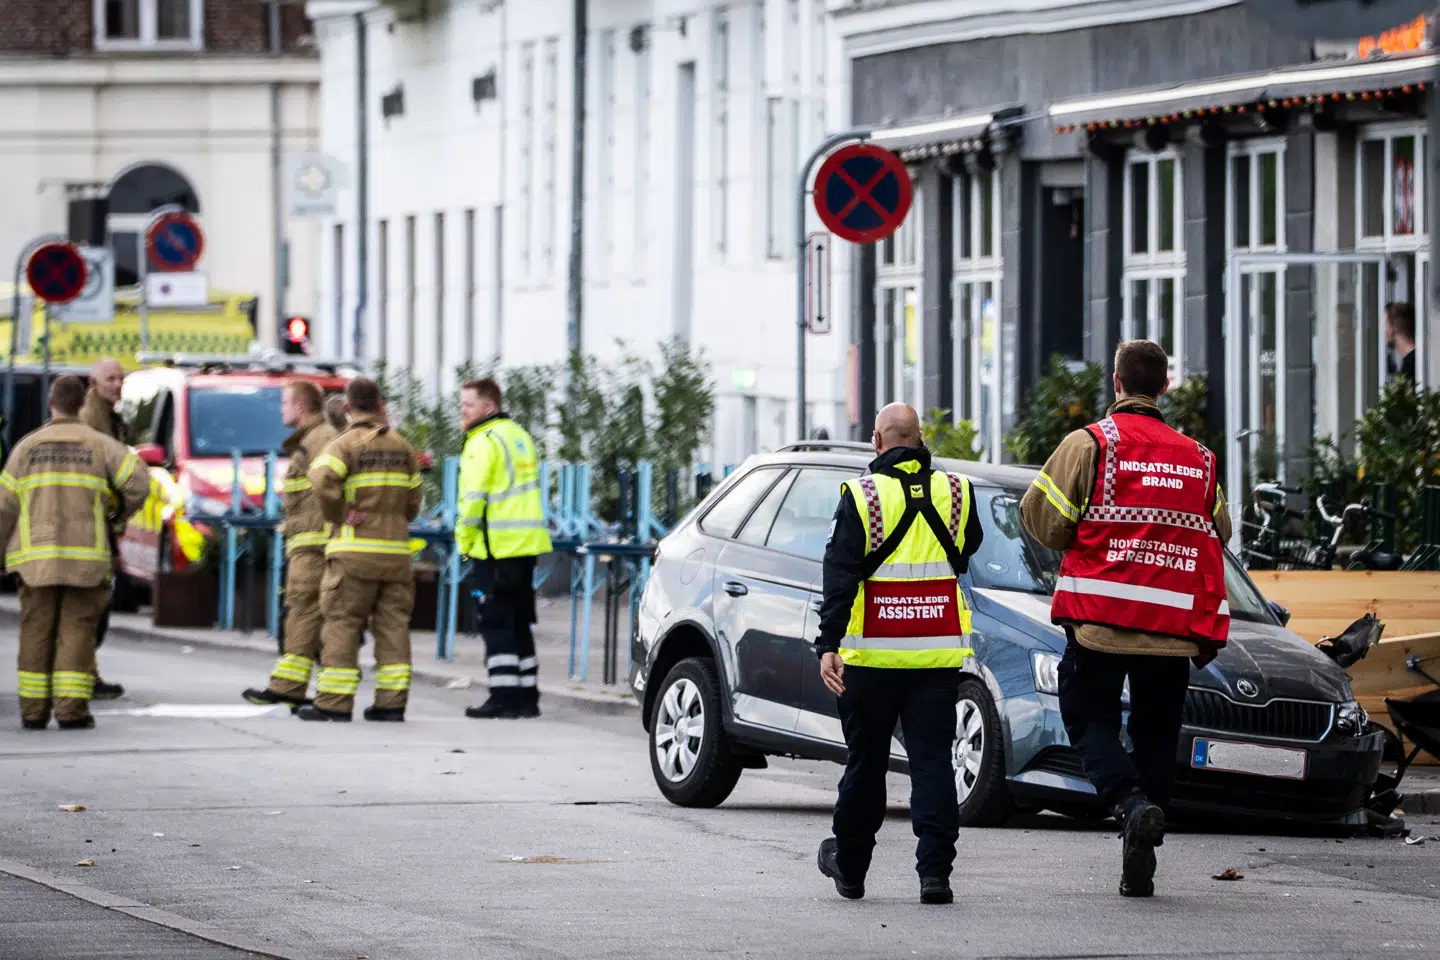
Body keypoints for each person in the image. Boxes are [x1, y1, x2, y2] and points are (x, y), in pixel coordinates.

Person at [1020, 339, 1231, 899]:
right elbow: (1222, 532)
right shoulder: (1200, 458)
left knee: (1088, 717)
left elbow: (1041, 519)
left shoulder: (1090, 445)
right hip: (1170, 632)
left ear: (1116, 383)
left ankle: (1128, 803)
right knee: (1158, 733)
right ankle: (1143, 842)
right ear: (1164, 387)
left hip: (1100, 624)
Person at [814, 402, 982, 905]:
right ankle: (935, 875)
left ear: (877, 440)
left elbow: (839, 575)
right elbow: (966, 549)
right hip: (935, 660)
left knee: (866, 764)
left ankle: (851, 868)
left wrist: (828, 645)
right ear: (920, 439)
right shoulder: (956, 491)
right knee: (932, 763)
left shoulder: (864, 496)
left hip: (871, 661)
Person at [0, 376, 149, 730]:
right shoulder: (100, 445)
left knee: (36, 630)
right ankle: (71, 710)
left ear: (51, 404)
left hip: (35, 561)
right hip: (85, 560)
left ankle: (33, 711)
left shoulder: (25, 448)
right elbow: (139, 482)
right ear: (82, 404)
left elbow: (4, 506)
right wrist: (117, 513)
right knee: (77, 632)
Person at [297, 378, 422, 722]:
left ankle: (334, 704)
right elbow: (414, 502)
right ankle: (391, 704)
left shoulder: (344, 445)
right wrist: (396, 518)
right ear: (380, 403)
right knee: (393, 626)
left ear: (348, 408)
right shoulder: (402, 447)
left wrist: (339, 512)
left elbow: (320, 479)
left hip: (354, 553)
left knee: (342, 623)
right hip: (396, 554)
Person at [456, 378, 553, 720]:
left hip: (494, 548)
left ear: (489, 406)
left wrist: (464, 544)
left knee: (496, 623)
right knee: (519, 622)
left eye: (468, 405)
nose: (462, 411)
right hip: (524, 547)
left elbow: (472, 502)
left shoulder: (482, 442)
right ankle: (527, 697)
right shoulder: (519, 436)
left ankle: (503, 696)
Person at [243, 381, 339, 709]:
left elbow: (333, 484)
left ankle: (290, 688)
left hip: (315, 544)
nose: (281, 410)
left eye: (285, 403)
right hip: (307, 542)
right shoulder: (312, 439)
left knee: (303, 612)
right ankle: (297, 689)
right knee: (304, 614)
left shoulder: (321, 439)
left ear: (300, 407)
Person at [78, 357, 130, 701]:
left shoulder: (110, 417)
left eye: (120, 378)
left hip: (100, 522)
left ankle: (85, 673)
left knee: (95, 606)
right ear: (94, 383)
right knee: (90, 607)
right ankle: (82, 676)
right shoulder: (91, 419)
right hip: (90, 523)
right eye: (110, 378)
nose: (117, 384)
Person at [1385, 301, 1418, 382]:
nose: (1383, 331)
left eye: (1385, 325)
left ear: (1392, 330)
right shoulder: (1417, 359)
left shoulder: (1411, 366)